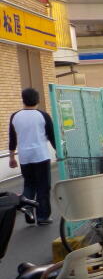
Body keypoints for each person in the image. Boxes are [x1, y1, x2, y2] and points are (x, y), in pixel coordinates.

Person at [8, 88, 56, 225]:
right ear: (38, 100)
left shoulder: (15, 116)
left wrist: (11, 157)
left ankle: (28, 209)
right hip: (40, 155)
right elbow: (52, 136)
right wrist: (59, 150)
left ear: (23, 100)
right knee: (43, 187)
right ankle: (43, 217)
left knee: (29, 184)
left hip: (24, 157)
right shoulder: (43, 115)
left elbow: (12, 139)